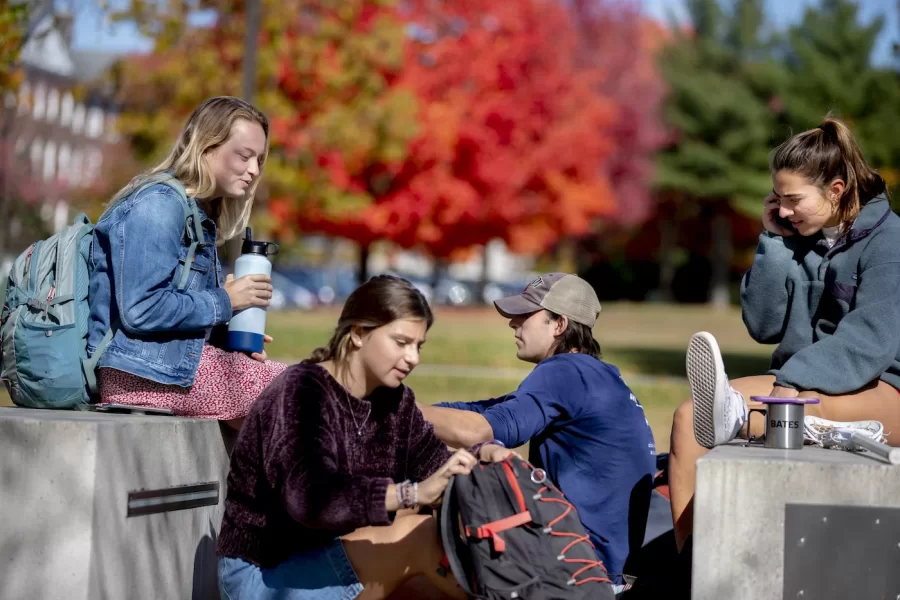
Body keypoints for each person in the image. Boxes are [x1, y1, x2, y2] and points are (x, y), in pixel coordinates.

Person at [669, 116, 900, 551]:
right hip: (798, 386)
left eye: (793, 199)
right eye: (777, 199)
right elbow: (763, 325)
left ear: (836, 190)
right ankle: (686, 568)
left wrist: (791, 380)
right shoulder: (796, 237)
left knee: (788, 412)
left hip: (886, 389)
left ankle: (742, 414)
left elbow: (870, 341)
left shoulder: (890, 244)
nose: (785, 210)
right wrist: (773, 242)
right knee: (687, 420)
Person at [216, 275, 511, 600]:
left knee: (436, 584)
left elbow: (437, 468)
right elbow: (311, 500)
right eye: (401, 342)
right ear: (358, 334)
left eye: (418, 345)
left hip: (336, 556)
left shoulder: (396, 401)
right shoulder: (301, 392)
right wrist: (411, 494)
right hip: (266, 577)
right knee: (421, 537)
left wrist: (486, 461)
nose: (414, 357)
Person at [418, 273, 658, 587]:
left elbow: (482, 430)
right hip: (605, 571)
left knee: (415, 542)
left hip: (571, 574)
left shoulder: (563, 372)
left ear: (559, 324)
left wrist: (396, 410)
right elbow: (486, 410)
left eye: (525, 315)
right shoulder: (598, 375)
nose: (513, 324)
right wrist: (413, 408)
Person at [87, 96, 285, 426]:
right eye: (244, 155)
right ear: (207, 147)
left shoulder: (200, 214)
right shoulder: (160, 204)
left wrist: (228, 336)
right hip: (138, 375)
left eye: (259, 160)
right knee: (308, 390)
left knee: (297, 400)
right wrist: (226, 299)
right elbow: (141, 310)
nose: (254, 170)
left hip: (167, 368)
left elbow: (176, 314)